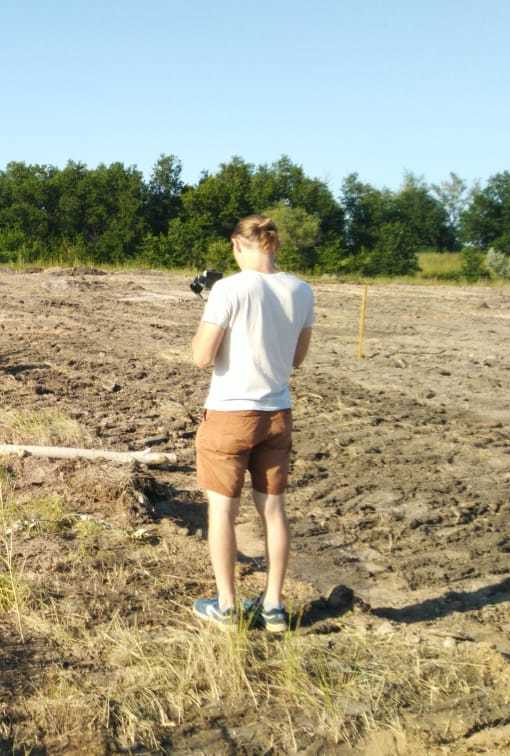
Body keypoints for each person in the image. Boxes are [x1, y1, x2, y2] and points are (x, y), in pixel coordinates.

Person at [188, 214, 314, 632]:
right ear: (274, 244)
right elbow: (296, 358)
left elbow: (202, 356)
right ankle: (274, 606)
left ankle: (227, 607)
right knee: (273, 511)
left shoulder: (227, 289)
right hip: (277, 414)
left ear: (236, 245)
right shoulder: (302, 290)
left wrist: (211, 310)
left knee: (222, 512)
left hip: (229, 414)